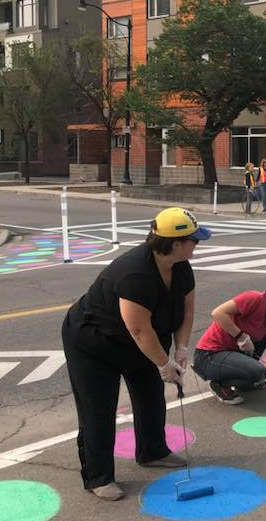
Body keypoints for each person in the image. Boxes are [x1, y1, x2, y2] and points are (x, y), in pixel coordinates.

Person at [61, 208, 212, 501]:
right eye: (194, 239)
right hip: (94, 343)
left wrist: (181, 348)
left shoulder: (181, 266)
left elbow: (187, 311)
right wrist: (164, 364)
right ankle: (98, 477)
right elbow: (140, 330)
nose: (198, 244)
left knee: (151, 395)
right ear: (176, 243)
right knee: (99, 410)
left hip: (141, 342)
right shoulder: (135, 273)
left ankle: (153, 452)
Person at [192, 276, 266, 404]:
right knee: (259, 372)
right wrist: (240, 336)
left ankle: (245, 382)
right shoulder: (254, 298)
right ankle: (219, 384)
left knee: (258, 373)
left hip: (230, 353)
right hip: (208, 355)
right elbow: (217, 313)